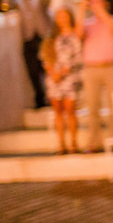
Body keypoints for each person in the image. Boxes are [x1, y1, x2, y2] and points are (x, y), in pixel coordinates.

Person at [75, 0, 113, 152]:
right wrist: (82, 10)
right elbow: (78, 34)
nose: (95, 4)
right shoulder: (88, 23)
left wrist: (101, 11)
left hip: (111, 67)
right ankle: (94, 142)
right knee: (92, 107)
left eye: (99, 1)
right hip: (91, 68)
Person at [2, 0, 53, 109]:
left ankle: (53, 96)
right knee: (33, 71)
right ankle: (39, 98)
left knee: (48, 69)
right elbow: (5, 6)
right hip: (28, 39)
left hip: (43, 38)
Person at [41, 8, 83, 154]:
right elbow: (46, 57)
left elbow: (77, 57)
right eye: (60, 16)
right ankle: (61, 144)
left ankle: (73, 143)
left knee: (70, 110)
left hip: (70, 77)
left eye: (65, 16)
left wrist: (63, 72)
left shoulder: (74, 36)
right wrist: (53, 73)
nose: (62, 19)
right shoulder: (51, 37)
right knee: (58, 111)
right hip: (54, 78)